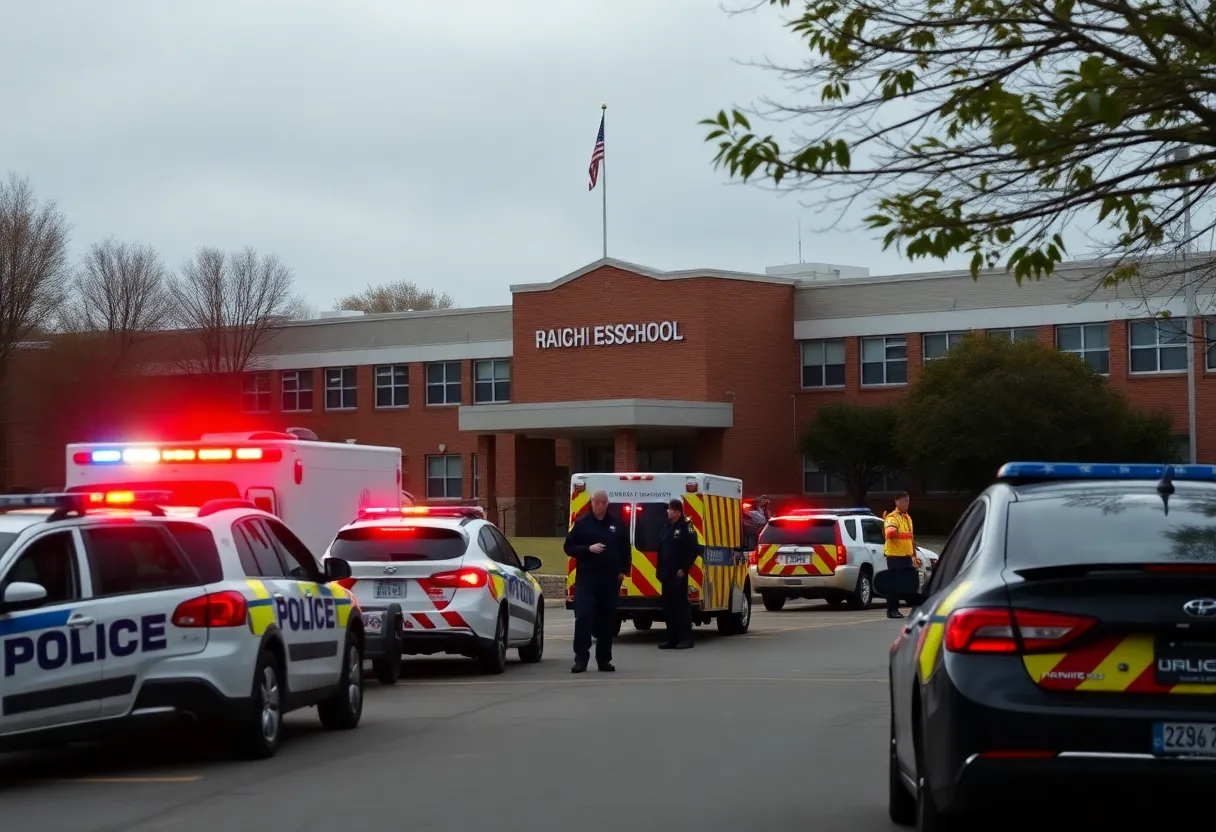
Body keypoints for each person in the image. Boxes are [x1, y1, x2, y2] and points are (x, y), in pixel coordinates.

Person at [564, 489, 631, 673]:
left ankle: (604, 659)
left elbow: (626, 549)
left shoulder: (617, 524)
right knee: (584, 617)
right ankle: (581, 658)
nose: (601, 505)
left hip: (609, 580)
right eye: (597, 502)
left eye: (604, 502)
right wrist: (588, 549)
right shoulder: (582, 523)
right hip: (587, 580)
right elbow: (569, 547)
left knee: (606, 620)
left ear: (607, 504)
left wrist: (623, 571)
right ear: (592, 503)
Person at [656, 498, 702, 650]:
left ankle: (686, 639)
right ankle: (672, 639)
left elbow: (694, 550)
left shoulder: (685, 527)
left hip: (678, 574)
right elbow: (661, 550)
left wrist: (684, 568)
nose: (667, 512)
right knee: (668, 608)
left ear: (677, 512)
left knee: (680, 607)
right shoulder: (666, 527)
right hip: (666, 574)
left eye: (669, 509)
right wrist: (659, 570)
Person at [883, 491, 916, 619]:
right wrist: (891, 530)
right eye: (904, 501)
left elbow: (909, 537)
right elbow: (889, 530)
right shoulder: (893, 517)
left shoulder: (907, 517)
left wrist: (914, 554)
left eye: (908, 501)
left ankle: (912, 609)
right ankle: (892, 610)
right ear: (897, 502)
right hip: (895, 557)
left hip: (906, 556)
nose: (907, 503)